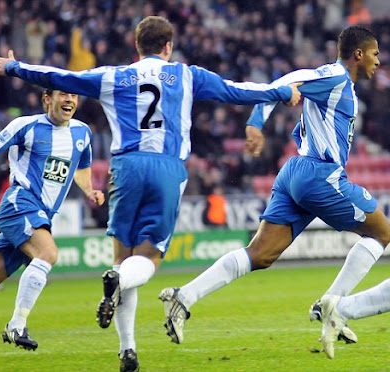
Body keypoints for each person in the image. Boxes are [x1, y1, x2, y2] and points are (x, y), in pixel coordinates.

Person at [0, 16, 301, 372]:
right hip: (167, 169)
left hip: (125, 168)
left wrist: (14, 66)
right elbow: (237, 90)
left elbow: (61, 77)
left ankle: (128, 350)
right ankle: (119, 289)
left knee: (122, 258)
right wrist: (280, 92)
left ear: (137, 47)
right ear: (168, 47)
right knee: (147, 260)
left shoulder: (114, 76)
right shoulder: (187, 75)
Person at [157, 25, 388, 358]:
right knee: (381, 232)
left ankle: (184, 297)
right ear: (358, 54)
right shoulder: (334, 78)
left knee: (260, 254)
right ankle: (332, 305)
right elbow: (282, 84)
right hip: (319, 175)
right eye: (376, 54)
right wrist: (255, 122)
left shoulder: (340, 86)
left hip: (295, 172)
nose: (378, 61)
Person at [0, 89, 105, 351]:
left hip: (41, 215)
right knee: (47, 252)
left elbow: (82, 166)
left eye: (74, 96)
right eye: (63, 94)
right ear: (46, 99)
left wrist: (90, 191)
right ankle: (17, 324)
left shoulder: (81, 132)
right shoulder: (25, 126)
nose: (70, 100)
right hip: (19, 202)